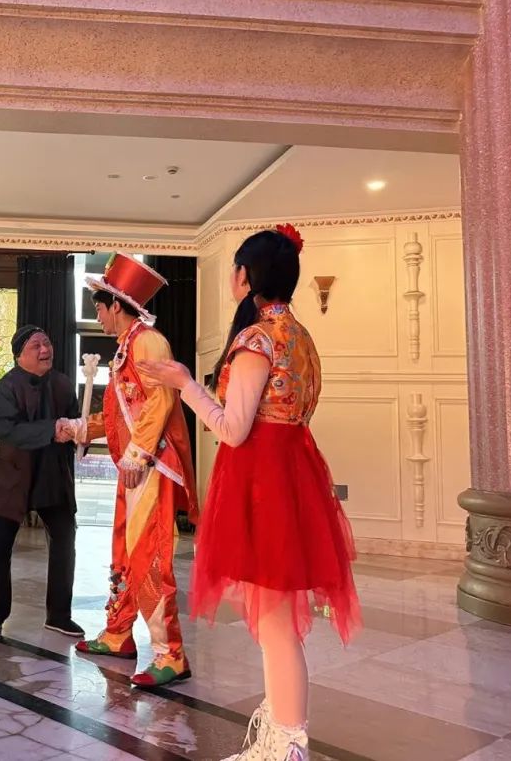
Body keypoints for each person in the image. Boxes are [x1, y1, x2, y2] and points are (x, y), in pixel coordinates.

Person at [138, 225, 361, 760]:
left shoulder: (257, 340)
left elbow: (233, 429)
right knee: (275, 619)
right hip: (292, 474)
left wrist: (184, 384)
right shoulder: (300, 336)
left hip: (264, 482)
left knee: (274, 621)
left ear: (245, 276)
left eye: (235, 269)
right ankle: (282, 734)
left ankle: (287, 744)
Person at [65, 254, 198, 689]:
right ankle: (118, 632)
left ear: (117, 306)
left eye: (99, 308)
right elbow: (122, 414)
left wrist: (138, 454)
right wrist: (81, 428)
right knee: (124, 552)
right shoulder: (127, 346)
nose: (98, 317)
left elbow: (161, 400)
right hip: (134, 467)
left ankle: (170, 654)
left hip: (151, 466)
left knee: (148, 555)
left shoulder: (149, 342)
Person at [0, 325, 83, 640]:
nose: (45, 349)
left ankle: (59, 615)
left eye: (47, 342)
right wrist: (52, 429)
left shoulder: (63, 384)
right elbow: (8, 431)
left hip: (53, 474)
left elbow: (75, 423)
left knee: (64, 542)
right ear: (19, 355)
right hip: (14, 476)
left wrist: (78, 433)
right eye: (36, 345)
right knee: (0, 546)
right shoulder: (6, 388)